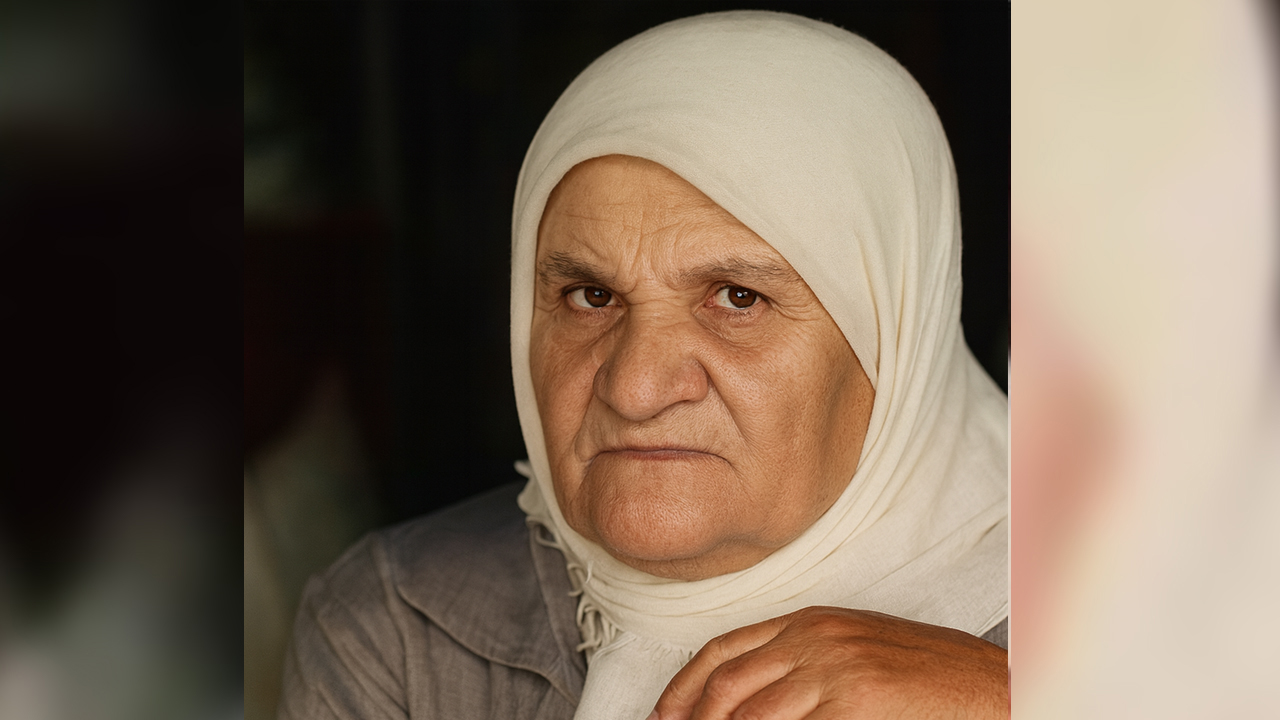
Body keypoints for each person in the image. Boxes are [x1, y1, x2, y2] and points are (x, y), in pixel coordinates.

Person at [279, 11, 1009, 720]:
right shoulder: (404, 626)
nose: (633, 389)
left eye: (737, 297)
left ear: (897, 334)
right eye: (590, 295)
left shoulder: (1101, 613)